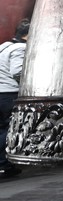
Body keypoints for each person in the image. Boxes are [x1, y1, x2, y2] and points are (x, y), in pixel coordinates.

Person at [1, 18, 29, 179]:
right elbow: (17, 71)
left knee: (2, 130)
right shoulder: (19, 48)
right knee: (10, 130)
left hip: (0, 93)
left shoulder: (3, 47)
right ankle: (4, 164)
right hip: (9, 94)